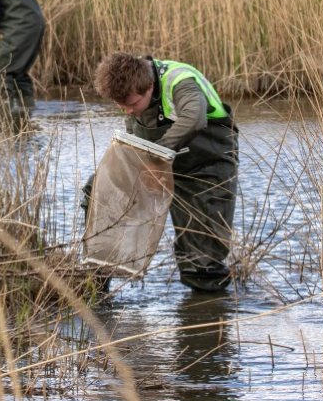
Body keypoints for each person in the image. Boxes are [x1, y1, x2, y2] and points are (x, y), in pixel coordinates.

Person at [91, 52, 239, 295]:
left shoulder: (180, 81)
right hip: (157, 161)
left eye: (132, 104)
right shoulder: (131, 88)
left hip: (206, 165)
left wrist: (157, 158)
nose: (127, 112)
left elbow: (194, 118)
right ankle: (97, 279)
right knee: (96, 190)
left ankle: (209, 317)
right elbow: (134, 136)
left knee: (202, 258)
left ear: (149, 86)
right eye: (121, 106)